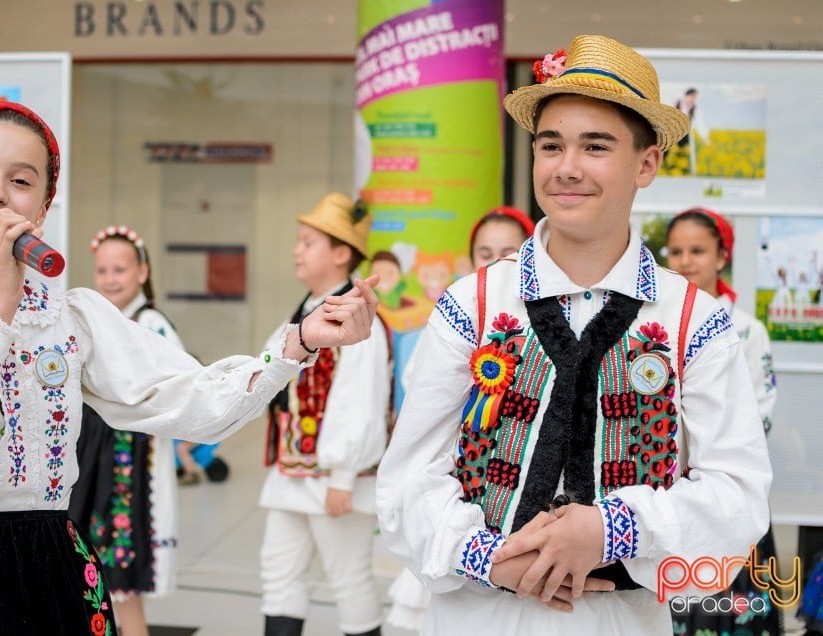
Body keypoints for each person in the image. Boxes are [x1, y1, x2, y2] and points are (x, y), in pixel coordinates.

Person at [0, 101, 380, 636]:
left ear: (41, 209)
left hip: (57, 573)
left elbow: (193, 403)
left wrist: (297, 343)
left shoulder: (72, 317)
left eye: (21, 180)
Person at [376, 34, 772, 635]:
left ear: (647, 162)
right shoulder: (475, 303)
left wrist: (612, 528)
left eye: (596, 146)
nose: (567, 168)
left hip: (620, 619)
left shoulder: (694, 319)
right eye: (550, 145)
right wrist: (488, 558)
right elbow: (406, 481)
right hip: (476, 616)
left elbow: (739, 498)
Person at [385, 205, 536, 633]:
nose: (496, 262)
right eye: (485, 252)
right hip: (454, 500)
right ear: (470, 260)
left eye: (510, 251)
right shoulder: (452, 320)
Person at [259, 193, 390, 636]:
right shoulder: (302, 312)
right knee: (278, 573)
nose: (297, 250)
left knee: (348, 578)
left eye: (308, 242)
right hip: (291, 473)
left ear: (340, 253)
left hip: (335, 478)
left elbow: (361, 400)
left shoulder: (357, 317)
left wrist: (342, 476)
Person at [664, 207, 781, 636]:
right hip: (669, 491)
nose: (686, 261)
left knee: (733, 610)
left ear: (721, 255)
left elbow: (759, 415)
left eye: (698, 250)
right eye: (676, 251)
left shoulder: (748, 332)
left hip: (727, 488)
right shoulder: (658, 327)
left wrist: (705, 460)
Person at [66, 225, 179, 636]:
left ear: (143, 273)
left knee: (123, 589)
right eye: (103, 270)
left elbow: (177, 386)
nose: (111, 279)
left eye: (120, 269)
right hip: (92, 461)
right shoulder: (97, 323)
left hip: (131, 466)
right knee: (91, 580)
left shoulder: (153, 324)